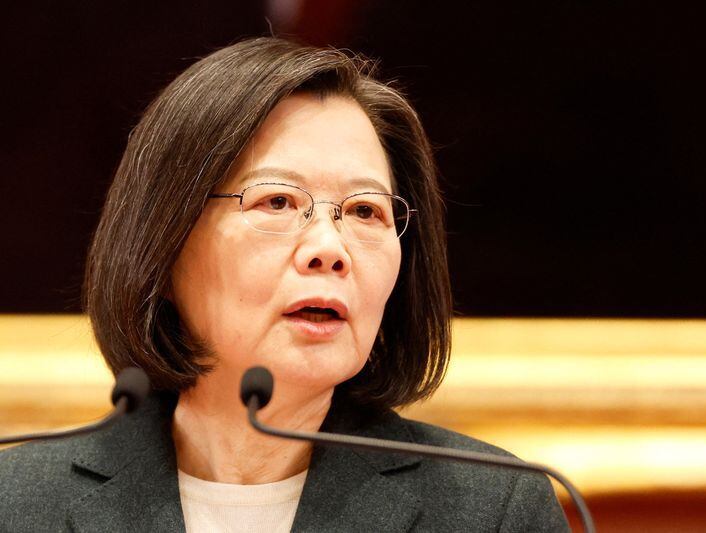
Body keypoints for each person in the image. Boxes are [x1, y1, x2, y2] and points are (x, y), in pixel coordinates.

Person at [0, 37, 568, 532]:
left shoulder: (492, 512)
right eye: (278, 201)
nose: (329, 249)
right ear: (164, 244)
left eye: (366, 211)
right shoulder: (19, 506)